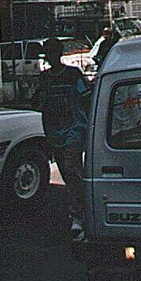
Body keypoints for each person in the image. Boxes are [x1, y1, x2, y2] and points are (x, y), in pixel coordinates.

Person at [34, 38, 90, 240]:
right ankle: (83, 203)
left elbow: (86, 96)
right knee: (68, 172)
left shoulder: (73, 74)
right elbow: (39, 102)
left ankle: (77, 215)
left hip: (74, 127)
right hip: (54, 131)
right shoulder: (44, 78)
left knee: (71, 167)